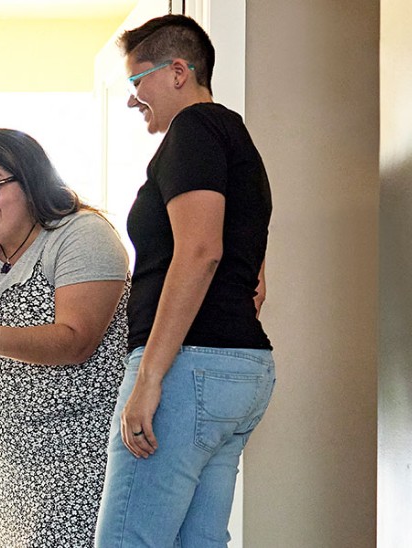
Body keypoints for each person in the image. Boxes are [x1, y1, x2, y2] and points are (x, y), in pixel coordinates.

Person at [94, 14, 276, 548]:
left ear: (178, 71)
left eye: (136, 81)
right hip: (242, 368)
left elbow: (199, 252)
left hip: (186, 368)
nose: (132, 100)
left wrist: (151, 378)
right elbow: (256, 284)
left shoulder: (193, 131)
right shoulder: (238, 140)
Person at [0, 129, 131, 547]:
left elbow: (75, 341)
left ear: (30, 179)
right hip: (9, 466)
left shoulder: (81, 234)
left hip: (80, 456)